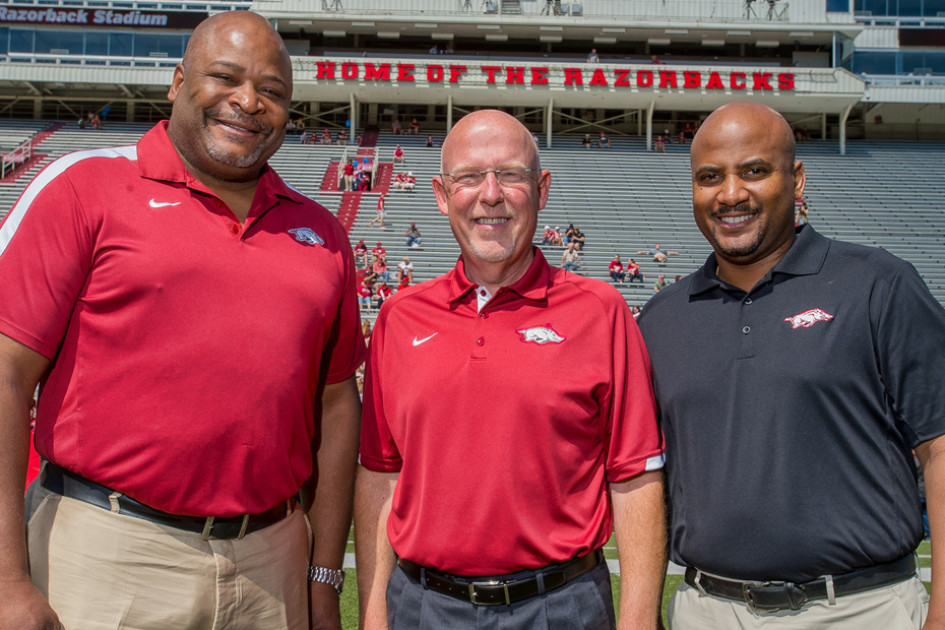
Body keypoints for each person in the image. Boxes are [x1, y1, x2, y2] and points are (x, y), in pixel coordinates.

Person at [0, 11, 364, 630]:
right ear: (176, 82)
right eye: (226, 77)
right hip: (107, 549)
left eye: (272, 91)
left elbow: (336, 407)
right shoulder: (84, 186)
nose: (248, 101)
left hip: (270, 561)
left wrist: (323, 578)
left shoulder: (322, 234)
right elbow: (5, 374)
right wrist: (7, 579)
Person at [636, 101, 945, 629]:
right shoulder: (661, 319)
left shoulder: (878, 285)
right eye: (710, 177)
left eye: (754, 171)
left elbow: (940, 447)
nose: (731, 194)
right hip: (707, 610)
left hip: (859, 608)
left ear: (796, 178)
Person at [355, 109, 666, 630]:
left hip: (561, 605)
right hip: (424, 606)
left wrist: (636, 622)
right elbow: (381, 476)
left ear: (542, 189)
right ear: (440, 194)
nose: (491, 194)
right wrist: (373, 615)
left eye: (511, 175)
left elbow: (635, 478)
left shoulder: (601, 311)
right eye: (470, 177)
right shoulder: (398, 316)